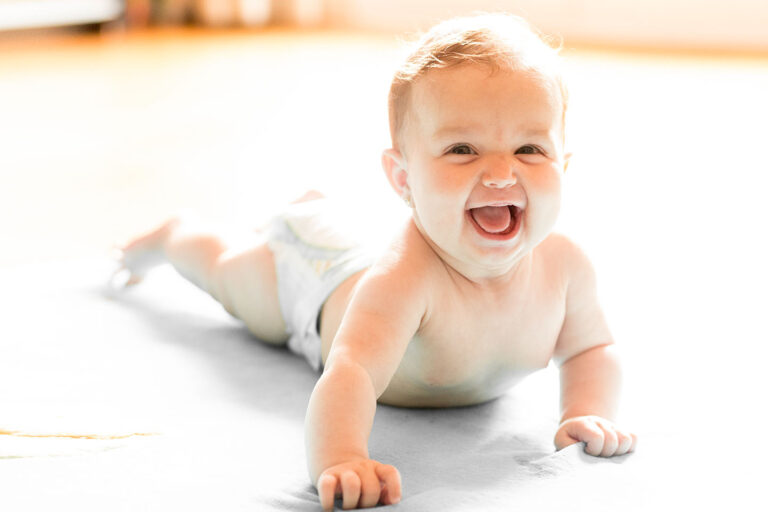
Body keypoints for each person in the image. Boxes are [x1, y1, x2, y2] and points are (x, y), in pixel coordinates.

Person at [115, 13, 637, 510]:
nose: (501, 173)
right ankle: (177, 234)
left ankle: (314, 208)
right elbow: (354, 371)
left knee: (328, 229)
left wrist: (585, 412)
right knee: (229, 274)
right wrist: (341, 457)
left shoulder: (566, 267)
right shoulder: (405, 279)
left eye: (529, 149)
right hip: (313, 279)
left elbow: (592, 348)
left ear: (563, 165)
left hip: (354, 249)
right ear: (404, 179)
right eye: (462, 149)